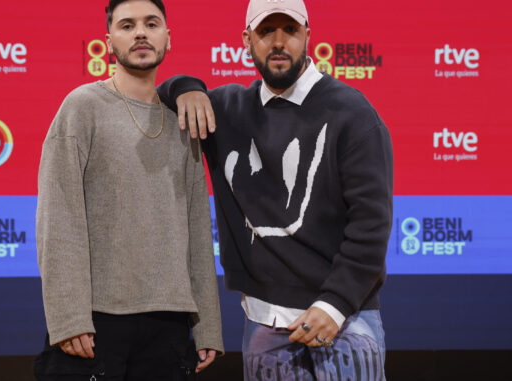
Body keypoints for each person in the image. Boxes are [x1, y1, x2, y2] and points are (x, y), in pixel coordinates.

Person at [157, 0, 393, 379]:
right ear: (247, 40)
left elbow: (372, 225)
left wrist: (335, 305)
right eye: (267, 31)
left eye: (290, 30)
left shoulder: (352, 113)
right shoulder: (226, 109)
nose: (279, 42)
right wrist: (187, 88)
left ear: (308, 37)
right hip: (263, 327)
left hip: (343, 323)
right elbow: (164, 91)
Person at [34, 0, 223, 379]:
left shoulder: (182, 120)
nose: (140, 32)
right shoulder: (82, 106)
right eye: (127, 25)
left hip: (169, 326)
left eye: (151, 24)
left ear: (167, 39)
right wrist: (69, 317)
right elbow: (58, 219)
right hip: (96, 323)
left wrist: (208, 326)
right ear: (108, 42)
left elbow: (198, 228)